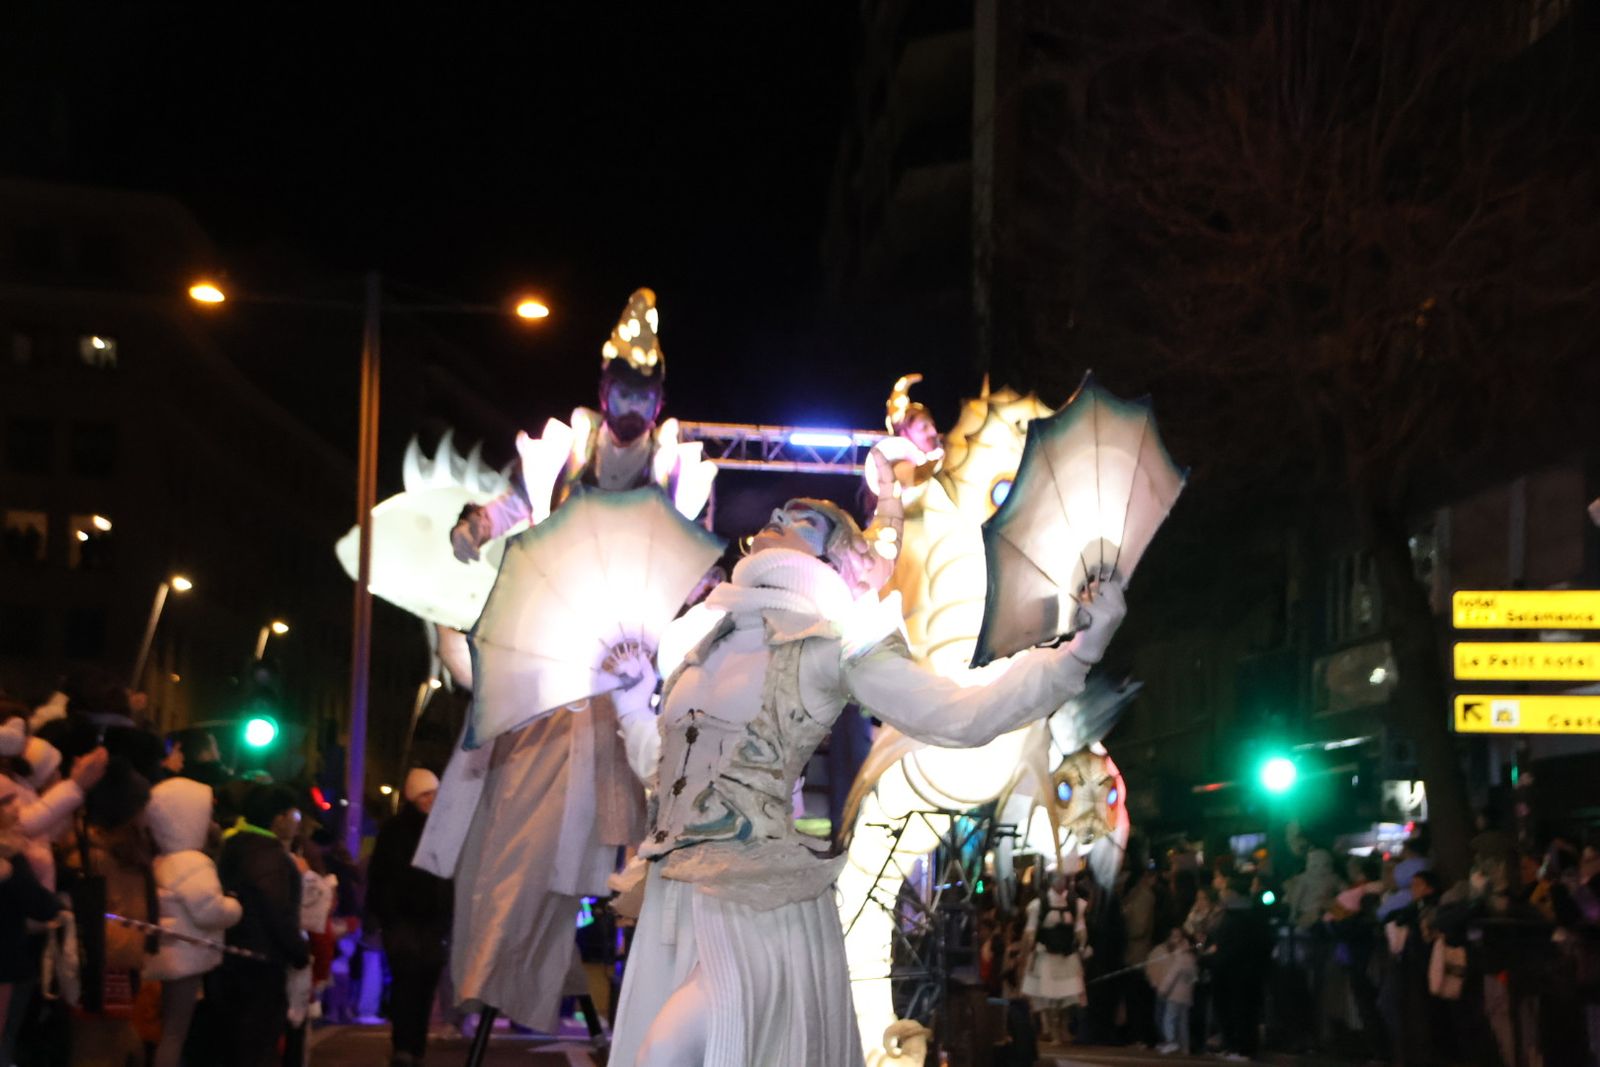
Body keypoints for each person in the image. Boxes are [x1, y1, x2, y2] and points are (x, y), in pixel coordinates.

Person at [605, 497, 1128, 1067]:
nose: (780, 519)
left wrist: (1077, 655)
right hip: (677, 897)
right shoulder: (699, 646)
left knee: (664, 1053)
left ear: (843, 561)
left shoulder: (832, 645)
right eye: (778, 515)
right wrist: (631, 704)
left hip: (756, 904)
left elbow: (958, 714)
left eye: (806, 522)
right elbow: (663, 770)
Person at [425, 288, 712, 1034]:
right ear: (602, 384)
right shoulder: (568, 453)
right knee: (519, 836)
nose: (632, 401)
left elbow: (694, 560)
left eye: (644, 391)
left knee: (658, 835)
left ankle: (661, 995)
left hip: (635, 679)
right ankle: (498, 972)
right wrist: (479, 523)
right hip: (558, 672)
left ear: (659, 397)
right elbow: (514, 507)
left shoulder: (678, 467)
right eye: (622, 385)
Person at [143, 776, 242, 1067]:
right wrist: (234, 906)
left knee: (158, 1030)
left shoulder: (159, 859)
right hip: (184, 958)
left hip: (162, 953)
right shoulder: (192, 863)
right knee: (175, 1032)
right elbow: (209, 910)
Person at [209, 784, 308, 1067]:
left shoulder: (236, 845)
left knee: (234, 1045)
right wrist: (298, 950)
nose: (297, 823)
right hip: (261, 963)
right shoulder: (267, 856)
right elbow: (275, 910)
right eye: (295, 815)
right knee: (258, 1044)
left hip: (230, 960)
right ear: (278, 818)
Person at [367, 768, 452, 1067]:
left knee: (425, 983)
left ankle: (415, 1046)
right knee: (406, 981)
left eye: (434, 794)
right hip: (404, 919)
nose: (431, 800)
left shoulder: (443, 829)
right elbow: (380, 877)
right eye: (425, 794)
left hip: (431, 921)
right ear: (414, 796)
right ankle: (404, 1045)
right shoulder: (396, 830)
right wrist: (384, 915)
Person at [1207, 873, 1273, 1061]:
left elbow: (1235, 946)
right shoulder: (1234, 913)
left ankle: (1242, 1048)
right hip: (1235, 969)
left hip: (1238, 971)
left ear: (1234, 893)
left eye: (1226, 890)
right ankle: (1233, 1045)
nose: (1222, 893)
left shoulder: (1242, 915)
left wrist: (1215, 958)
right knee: (1232, 1009)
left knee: (1241, 1010)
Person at [1021, 869, 1089, 1045]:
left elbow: (1080, 929)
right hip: (1046, 955)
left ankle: (1064, 1028)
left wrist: (1082, 946)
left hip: (1067, 955)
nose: (1061, 882)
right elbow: (1030, 931)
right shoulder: (1038, 905)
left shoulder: (1075, 903)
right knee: (1049, 997)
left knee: (1068, 996)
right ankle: (1053, 1030)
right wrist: (1028, 951)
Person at [1145, 927, 1198, 1055]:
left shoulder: (1179, 959)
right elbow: (1193, 978)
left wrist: (1162, 990)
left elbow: (1171, 976)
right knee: (1183, 1023)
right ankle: (1184, 1047)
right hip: (1186, 997)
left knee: (1169, 1019)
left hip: (1174, 995)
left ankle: (1171, 1041)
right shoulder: (1192, 960)